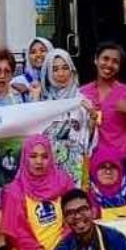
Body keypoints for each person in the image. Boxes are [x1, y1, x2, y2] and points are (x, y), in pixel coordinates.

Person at [0, 134, 75, 250]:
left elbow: (73, 219)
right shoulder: (14, 191)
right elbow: (17, 235)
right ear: (25, 158)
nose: (39, 162)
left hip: (63, 249)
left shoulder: (64, 182)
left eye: (44, 156)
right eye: (33, 156)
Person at [80, 42, 126, 186]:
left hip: (125, 161)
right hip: (93, 161)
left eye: (115, 62)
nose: (109, 64)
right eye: (105, 59)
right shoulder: (82, 94)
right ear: (96, 60)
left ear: (119, 66)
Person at [39, 47, 97, 187]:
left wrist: (92, 120)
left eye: (65, 68)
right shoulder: (41, 101)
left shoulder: (82, 102)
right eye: (55, 69)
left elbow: (88, 139)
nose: (61, 73)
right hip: (47, 166)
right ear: (48, 73)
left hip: (75, 166)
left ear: (72, 70)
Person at [87, 147, 126, 232]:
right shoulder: (89, 197)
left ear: (120, 169)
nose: (108, 172)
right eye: (103, 167)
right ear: (94, 170)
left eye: (113, 167)